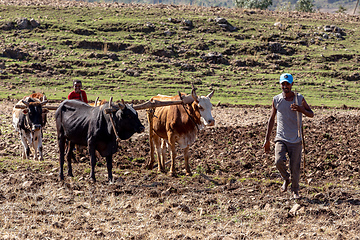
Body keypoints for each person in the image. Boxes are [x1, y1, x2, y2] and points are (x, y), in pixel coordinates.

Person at [263, 73, 314, 199]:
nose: (285, 86)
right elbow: (271, 118)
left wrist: (300, 109)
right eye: (283, 84)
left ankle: (295, 191)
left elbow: (311, 113)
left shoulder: (299, 98)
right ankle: (286, 178)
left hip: (296, 139)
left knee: (295, 167)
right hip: (281, 137)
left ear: (292, 84)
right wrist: (267, 139)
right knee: (278, 161)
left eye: (287, 84)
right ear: (280, 84)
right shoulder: (276, 99)